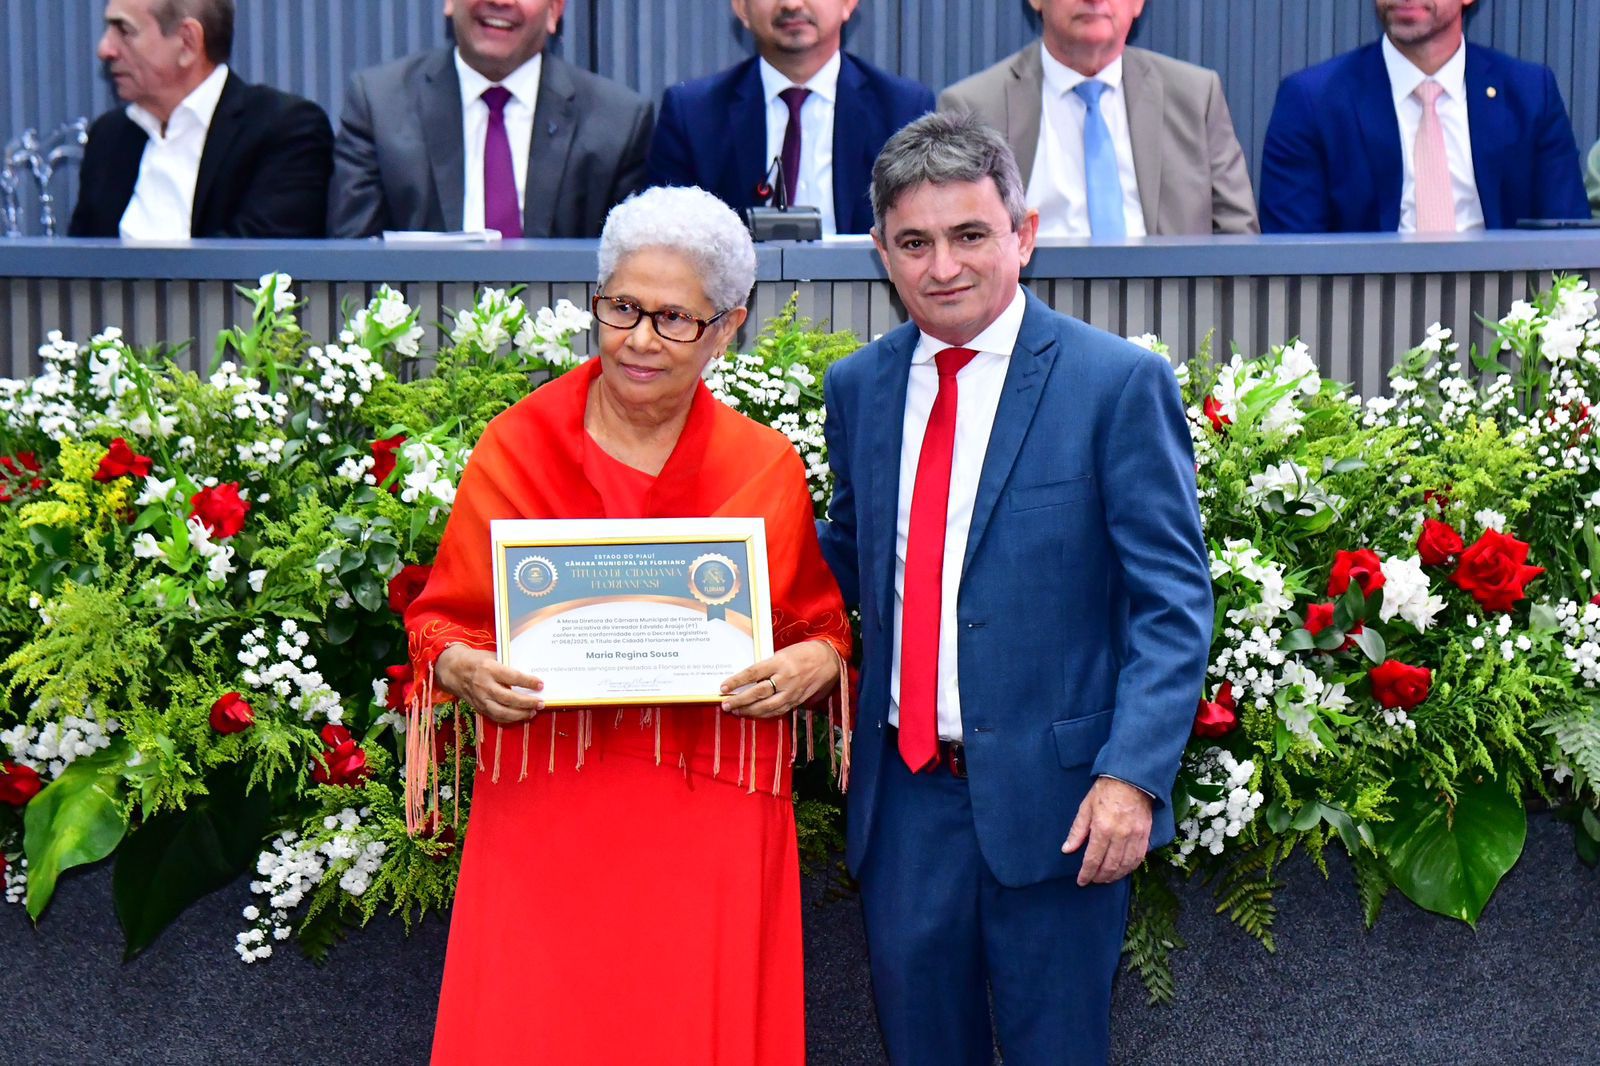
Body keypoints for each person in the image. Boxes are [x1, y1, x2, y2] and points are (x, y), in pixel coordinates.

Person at [403, 185, 851, 1064]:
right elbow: (441, 621)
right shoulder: (516, 444)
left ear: (726, 329)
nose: (640, 339)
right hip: (549, 803)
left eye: (673, 319)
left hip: (708, 816)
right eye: (622, 309)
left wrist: (815, 665)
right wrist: (461, 668)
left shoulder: (764, 467)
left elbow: (822, 629)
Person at [816, 111, 1212, 1065]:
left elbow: (1172, 604)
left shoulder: (1115, 384)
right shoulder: (859, 388)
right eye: (915, 242)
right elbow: (847, 561)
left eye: (970, 234)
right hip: (906, 808)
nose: (943, 266)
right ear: (881, 252)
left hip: (1066, 806)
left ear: (1023, 236)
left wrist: (1131, 777)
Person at [327, 0, 652, 238]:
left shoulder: (618, 122)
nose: (500, 2)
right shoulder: (378, 104)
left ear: (555, 11)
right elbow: (351, 268)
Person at [1259, 0, 1589, 233]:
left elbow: (1565, 240)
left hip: (1503, 306)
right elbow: (1293, 262)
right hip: (1362, 308)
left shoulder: (1530, 94)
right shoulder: (1311, 101)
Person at [939, 0, 1257, 237]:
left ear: (1138, 3)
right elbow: (957, 244)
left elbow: (1239, 239)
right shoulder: (974, 108)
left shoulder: (1196, 97)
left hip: (1173, 302)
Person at [646, 0, 932, 235]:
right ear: (742, 8)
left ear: (848, 4)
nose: (792, 4)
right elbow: (669, 239)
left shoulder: (902, 109)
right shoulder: (692, 113)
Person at [69, 0, 333, 239]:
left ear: (187, 42)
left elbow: (260, 265)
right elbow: (78, 265)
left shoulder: (284, 130)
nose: (104, 49)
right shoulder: (109, 136)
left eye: (125, 31)